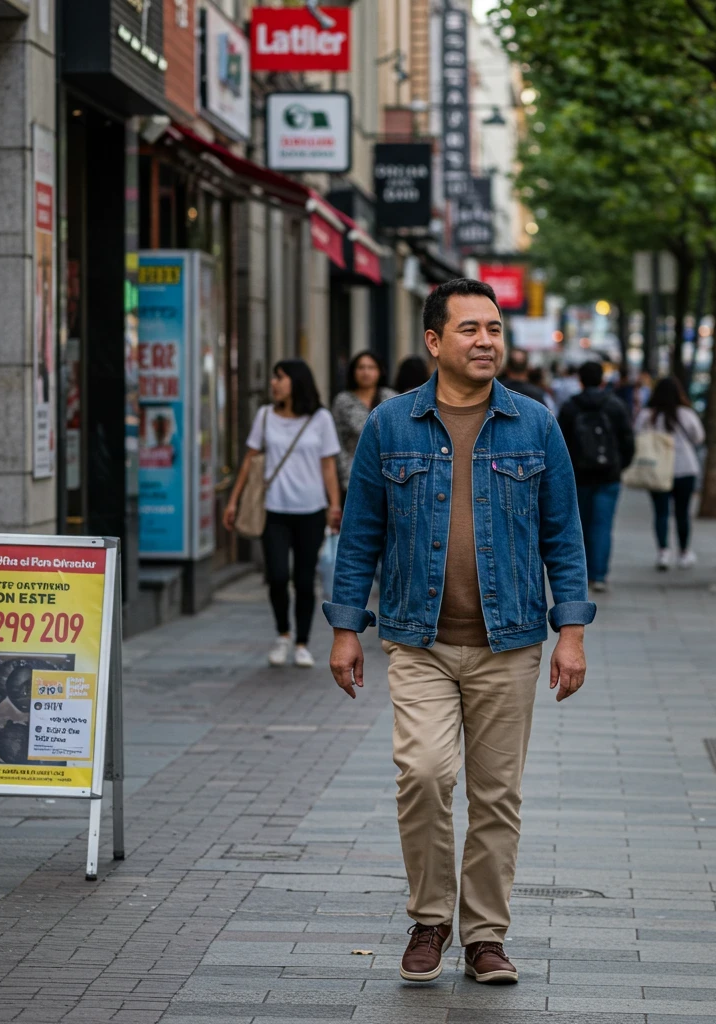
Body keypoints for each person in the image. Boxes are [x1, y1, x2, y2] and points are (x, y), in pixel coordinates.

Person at [325, 278, 594, 986]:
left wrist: (571, 630)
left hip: (509, 642)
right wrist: (345, 628)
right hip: (419, 640)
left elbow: (564, 536)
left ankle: (483, 936)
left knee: (496, 794)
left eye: (495, 329)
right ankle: (430, 917)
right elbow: (360, 536)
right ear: (435, 342)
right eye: (471, 329)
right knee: (423, 773)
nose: (486, 341)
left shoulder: (535, 423)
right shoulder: (390, 426)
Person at [224, 359, 342, 668]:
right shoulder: (264, 416)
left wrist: (334, 504)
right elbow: (249, 462)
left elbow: (328, 465)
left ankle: (302, 642)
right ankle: (283, 634)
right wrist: (233, 501)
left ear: (296, 381)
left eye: (280, 377)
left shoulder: (321, 419)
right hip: (273, 510)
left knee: (304, 580)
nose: (274, 383)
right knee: (277, 576)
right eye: (274, 377)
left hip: (311, 511)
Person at [557, 361, 635, 593]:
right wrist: (620, 466)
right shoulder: (616, 406)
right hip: (609, 476)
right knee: (603, 524)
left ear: (580, 380)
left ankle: (584, 574)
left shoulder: (571, 407)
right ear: (602, 380)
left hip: (579, 476)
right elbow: (628, 442)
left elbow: (560, 444)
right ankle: (599, 575)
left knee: (580, 525)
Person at [635, 376, 705, 569]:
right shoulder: (686, 414)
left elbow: (637, 436)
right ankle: (683, 553)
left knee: (661, 513)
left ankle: (663, 552)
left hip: (656, 470)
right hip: (684, 469)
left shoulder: (648, 415)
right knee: (683, 513)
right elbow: (699, 437)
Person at [331, 351, 397, 505]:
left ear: (380, 371)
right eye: (361, 368)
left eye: (371, 367)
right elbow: (337, 441)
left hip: (389, 475)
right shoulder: (343, 401)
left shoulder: (391, 398)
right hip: (352, 476)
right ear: (353, 371)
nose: (366, 372)